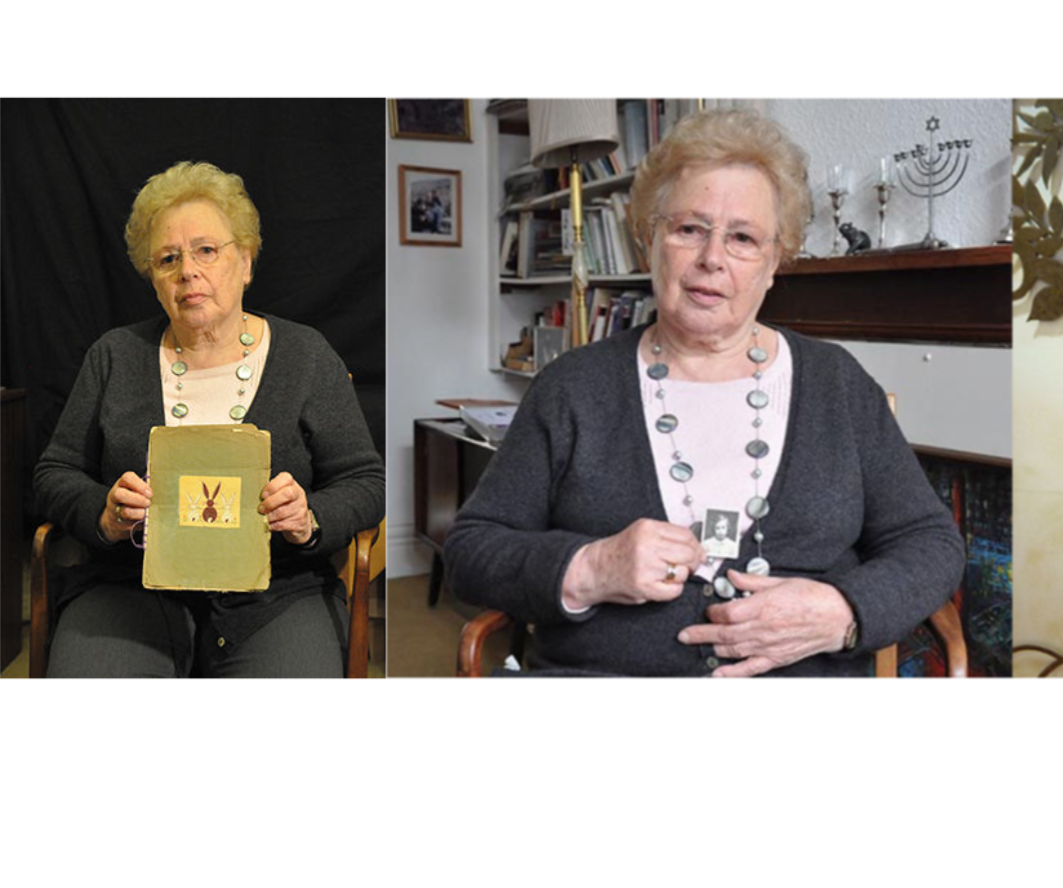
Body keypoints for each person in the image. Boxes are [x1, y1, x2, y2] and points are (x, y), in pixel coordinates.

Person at [444, 109, 965, 679]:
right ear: (649, 241)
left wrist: (844, 610)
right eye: (689, 228)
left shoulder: (837, 384)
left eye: (742, 238)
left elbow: (931, 542)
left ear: (774, 263)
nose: (712, 258)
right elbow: (471, 550)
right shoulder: (572, 387)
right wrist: (590, 566)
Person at [33, 161, 385, 679]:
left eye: (206, 250)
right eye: (167, 258)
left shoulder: (306, 356)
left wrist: (309, 517)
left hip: (277, 593)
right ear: (152, 277)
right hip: (128, 587)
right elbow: (53, 474)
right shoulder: (114, 356)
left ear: (245, 260)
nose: (187, 271)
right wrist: (103, 513)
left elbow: (365, 482)